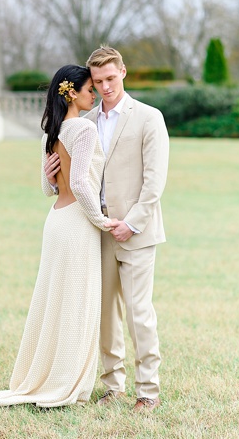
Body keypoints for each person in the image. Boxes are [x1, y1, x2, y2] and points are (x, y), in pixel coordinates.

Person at [0, 65, 116, 408]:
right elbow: (82, 182)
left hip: (56, 220)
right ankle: (67, 382)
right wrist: (100, 220)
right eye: (87, 89)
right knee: (76, 303)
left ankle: (51, 374)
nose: (93, 94)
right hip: (78, 223)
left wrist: (51, 176)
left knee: (56, 300)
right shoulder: (82, 129)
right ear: (72, 93)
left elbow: (46, 188)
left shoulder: (50, 133)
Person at [86, 46, 168, 412]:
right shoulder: (87, 122)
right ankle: (112, 385)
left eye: (110, 78)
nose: (105, 87)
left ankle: (147, 390)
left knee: (138, 312)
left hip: (137, 232)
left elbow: (154, 184)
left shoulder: (149, 118)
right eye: (98, 81)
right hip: (98, 231)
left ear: (123, 72)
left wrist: (131, 223)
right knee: (106, 313)